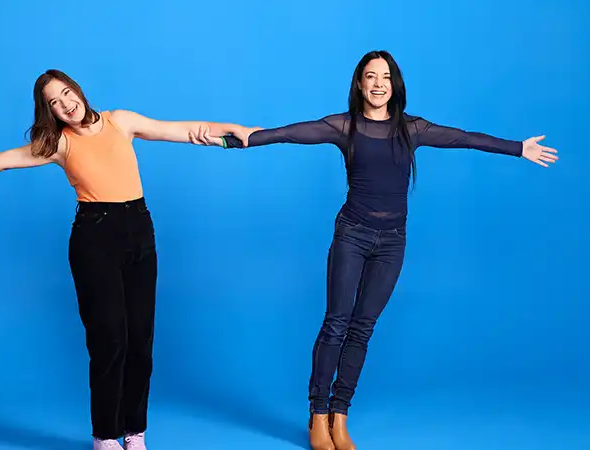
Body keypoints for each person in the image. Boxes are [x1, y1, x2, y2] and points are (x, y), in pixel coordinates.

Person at [191, 50, 558, 450]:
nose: (378, 83)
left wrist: (518, 148)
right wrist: (243, 139)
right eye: (370, 76)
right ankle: (317, 415)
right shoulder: (344, 127)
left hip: (392, 242)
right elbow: (291, 133)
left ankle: (340, 415)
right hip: (352, 235)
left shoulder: (411, 129)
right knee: (336, 322)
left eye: (385, 76)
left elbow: (463, 138)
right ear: (360, 84)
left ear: (394, 84)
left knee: (363, 327)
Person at [0, 69, 254, 450]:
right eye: (54, 103)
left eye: (66, 94)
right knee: (110, 340)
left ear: (78, 90)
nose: (65, 105)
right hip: (95, 239)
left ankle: (135, 432)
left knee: (141, 341)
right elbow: (1, 161)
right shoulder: (59, 143)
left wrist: (235, 129)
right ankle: (106, 436)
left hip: (140, 231)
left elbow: (182, 130)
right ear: (49, 111)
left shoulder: (120, 121)